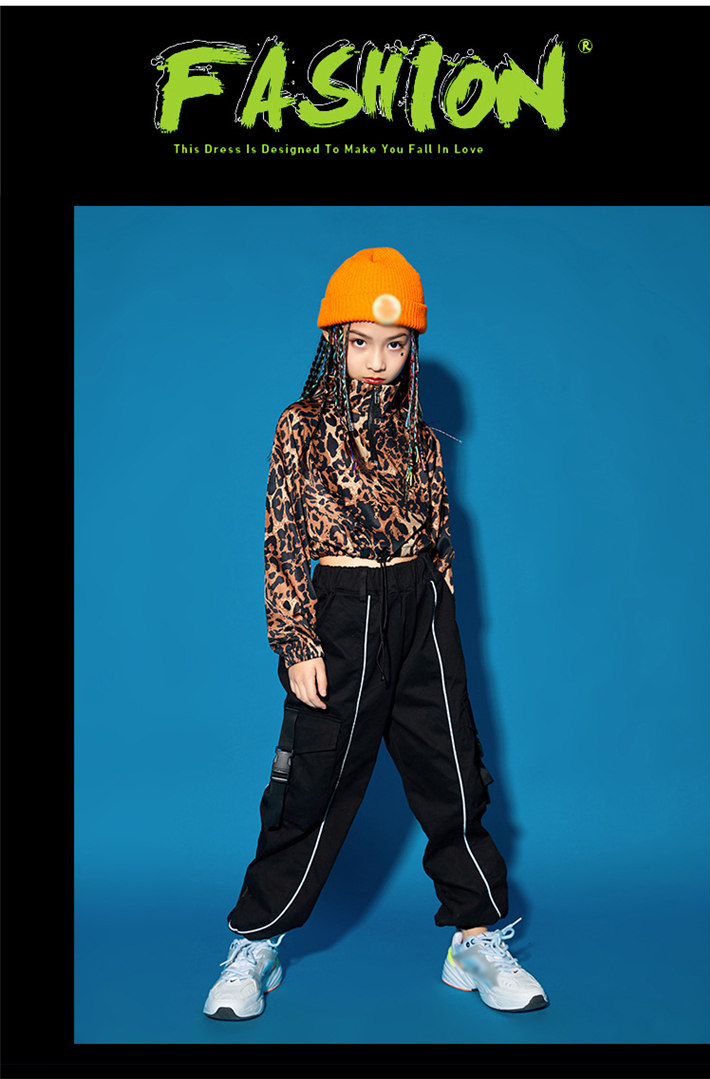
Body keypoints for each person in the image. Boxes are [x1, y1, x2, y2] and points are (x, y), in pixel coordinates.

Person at [203, 247, 548, 1021]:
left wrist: (440, 616)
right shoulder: (300, 426)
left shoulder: (420, 435)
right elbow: (282, 540)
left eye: (395, 344)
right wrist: (296, 638)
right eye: (361, 341)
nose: (378, 360)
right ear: (334, 339)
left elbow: (441, 536)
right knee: (311, 783)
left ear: (411, 349)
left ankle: (474, 938)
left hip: (420, 607)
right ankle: (256, 941)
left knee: (455, 775)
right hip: (341, 612)